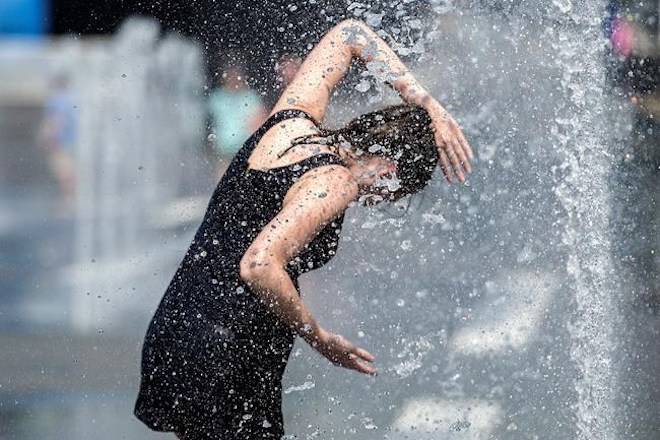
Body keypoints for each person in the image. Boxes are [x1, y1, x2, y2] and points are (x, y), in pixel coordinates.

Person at [134, 19, 472, 440]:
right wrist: (319, 337)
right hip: (228, 349)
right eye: (394, 193)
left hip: (182, 327)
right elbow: (259, 264)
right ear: (389, 171)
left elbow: (349, 34)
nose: (380, 201)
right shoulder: (335, 181)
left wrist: (426, 102)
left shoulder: (291, 121)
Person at [208, 61, 266, 179]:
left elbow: (258, 121)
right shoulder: (217, 98)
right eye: (230, 76)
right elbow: (208, 124)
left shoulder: (250, 97)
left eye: (236, 76)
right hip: (223, 148)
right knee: (223, 180)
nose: (233, 79)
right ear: (224, 77)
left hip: (244, 147)